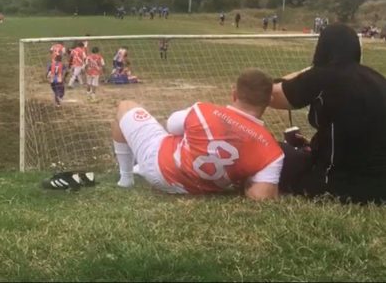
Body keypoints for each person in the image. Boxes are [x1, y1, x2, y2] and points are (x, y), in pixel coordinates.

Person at [112, 69, 284, 200]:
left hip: (158, 168)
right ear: (269, 101)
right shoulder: (272, 151)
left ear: (234, 94)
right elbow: (262, 197)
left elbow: (171, 126)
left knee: (125, 106)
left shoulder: (202, 110)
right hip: (199, 190)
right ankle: (138, 169)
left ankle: (126, 178)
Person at [270, 24, 386, 204]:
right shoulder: (378, 79)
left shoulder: (323, 76)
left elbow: (272, 95)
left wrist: (308, 71)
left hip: (336, 183)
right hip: (380, 186)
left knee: (271, 149)